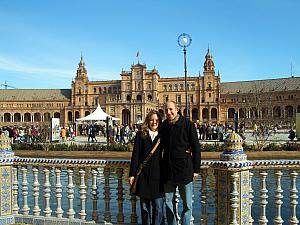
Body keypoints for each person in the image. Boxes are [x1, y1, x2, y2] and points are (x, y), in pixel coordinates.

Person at [161, 101, 200, 225]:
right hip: (168, 171)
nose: (168, 112)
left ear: (177, 109)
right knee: (168, 202)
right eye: (166, 110)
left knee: (187, 204)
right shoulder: (164, 126)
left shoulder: (187, 124)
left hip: (184, 170)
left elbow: (196, 147)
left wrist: (196, 169)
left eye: (171, 109)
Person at [129, 110, 164, 225]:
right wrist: (132, 174)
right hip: (143, 176)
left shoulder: (163, 135)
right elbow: (135, 156)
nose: (154, 122)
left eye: (156, 120)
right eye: (152, 120)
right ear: (148, 121)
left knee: (158, 207)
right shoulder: (141, 135)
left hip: (158, 176)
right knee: (144, 208)